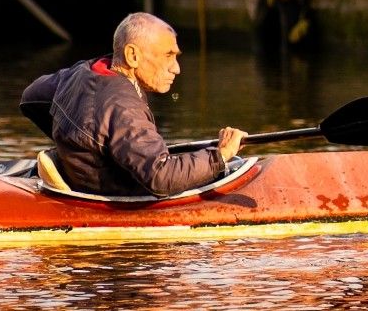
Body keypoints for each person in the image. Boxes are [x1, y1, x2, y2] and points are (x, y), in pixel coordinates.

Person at [21, 12, 244, 198]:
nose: (176, 68)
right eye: (168, 56)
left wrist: (76, 141)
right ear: (132, 55)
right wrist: (221, 155)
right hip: (111, 197)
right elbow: (160, 177)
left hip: (83, 179)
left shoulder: (84, 70)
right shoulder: (124, 108)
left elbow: (31, 97)